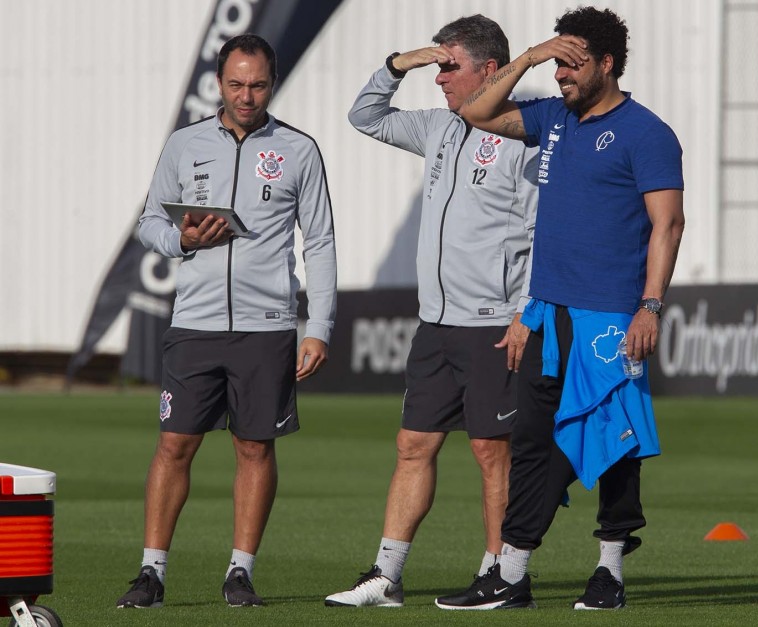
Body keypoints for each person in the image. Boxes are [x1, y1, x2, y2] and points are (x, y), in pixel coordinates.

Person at [450, 6, 686, 610]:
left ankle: (608, 573)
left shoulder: (647, 133)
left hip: (611, 318)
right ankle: (514, 576)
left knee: (616, 443)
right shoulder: (552, 117)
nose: (560, 76)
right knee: (532, 442)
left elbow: (668, 224)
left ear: (607, 65)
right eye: (556, 64)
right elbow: (473, 111)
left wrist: (650, 307)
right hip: (548, 315)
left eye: (571, 64)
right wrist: (528, 56)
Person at [324, 14, 539, 608]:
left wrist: (526, 312)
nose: (438, 77)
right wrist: (397, 66)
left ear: (490, 70)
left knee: (492, 451)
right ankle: (386, 576)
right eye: (437, 66)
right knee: (413, 445)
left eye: (449, 66)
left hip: (496, 322)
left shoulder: (525, 134)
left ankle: (504, 575)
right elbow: (364, 116)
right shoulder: (440, 127)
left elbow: (540, 233)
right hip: (436, 322)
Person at [116, 33, 337, 609]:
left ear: (273, 82)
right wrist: (182, 239)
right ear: (219, 83)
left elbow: (321, 243)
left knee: (255, 449)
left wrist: (318, 327)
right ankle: (151, 574)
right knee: (173, 446)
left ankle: (240, 573)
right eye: (236, 84)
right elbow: (148, 223)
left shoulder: (299, 149)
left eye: (258, 84)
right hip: (194, 323)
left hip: (267, 327)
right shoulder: (183, 144)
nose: (246, 95)